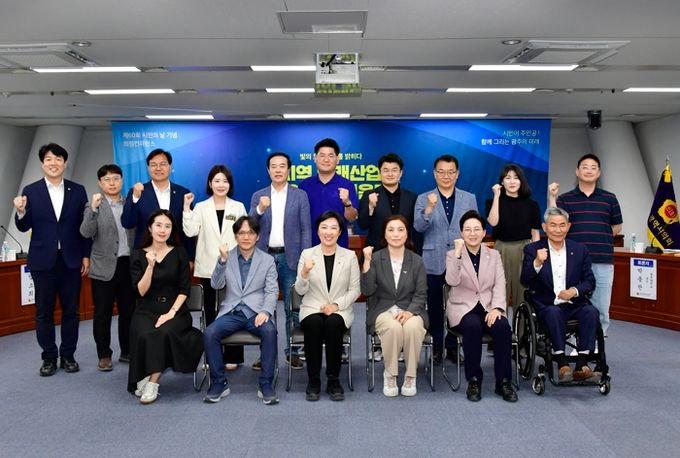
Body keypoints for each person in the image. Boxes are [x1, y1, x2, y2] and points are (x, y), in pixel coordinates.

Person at [14, 143, 91, 376]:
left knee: (71, 311)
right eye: (49, 159)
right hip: (42, 261)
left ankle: (68, 356)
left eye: (58, 159)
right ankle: (48, 357)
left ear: (65, 163)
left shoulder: (78, 190)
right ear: (42, 164)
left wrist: (85, 255)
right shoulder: (31, 190)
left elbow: (84, 228)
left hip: (71, 260)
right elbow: (23, 226)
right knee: (44, 312)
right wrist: (20, 211)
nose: (53, 163)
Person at [127, 210, 203, 404]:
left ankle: (153, 382)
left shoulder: (179, 253)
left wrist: (171, 313)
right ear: (150, 228)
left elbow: (185, 289)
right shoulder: (137, 255)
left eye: (167, 226)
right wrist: (150, 266)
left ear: (171, 230)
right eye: (158, 225)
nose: (162, 230)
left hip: (175, 309)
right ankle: (146, 374)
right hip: (146, 308)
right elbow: (140, 291)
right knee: (144, 332)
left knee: (163, 332)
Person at [202, 216, 279, 405]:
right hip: (232, 312)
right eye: (241, 233)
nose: (246, 237)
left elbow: (272, 291)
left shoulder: (267, 260)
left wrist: (265, 312)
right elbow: (216, 284)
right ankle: (219, 382)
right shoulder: (226, 256)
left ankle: (266, 383)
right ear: (235, 236)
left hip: (256, 313)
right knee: (210, 333)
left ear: (257, 236)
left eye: (250, 233)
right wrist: (222, 261)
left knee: (270, 332)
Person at [445, 210, 517, 402]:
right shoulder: (452, 254)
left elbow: (500, 283)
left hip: (488, 307)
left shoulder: (493, 255)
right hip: (463, 308)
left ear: (484, 232)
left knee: (502, 327)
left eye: (477, 229)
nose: (472, 233)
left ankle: (503, 382)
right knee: (472, 326)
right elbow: (451, 280)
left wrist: (498, 308)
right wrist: (458, 255)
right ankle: (474, 379)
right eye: (468, 229)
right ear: (461, 233)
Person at [520, 207, 598, 382]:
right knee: (554, 313)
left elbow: (589, 281)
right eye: (553, 225)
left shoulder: (580, 250)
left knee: (591, 312)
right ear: (544, 227)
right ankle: (562, 363)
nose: (558, 230)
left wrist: (573, 291)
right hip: (547, 305)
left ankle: (582, 364)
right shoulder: (532, 249)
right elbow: (524, 279)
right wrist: (537, 263)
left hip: (574, 304)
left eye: (562, 225)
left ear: (568, 226)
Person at [548, 153, 622, 337]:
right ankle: (577, 345)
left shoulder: (610, 198)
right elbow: (555, 223)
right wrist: (552, 197)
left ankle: (598, 346)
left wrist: (601, 236)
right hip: (574, 262)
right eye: (585, 167)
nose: (589, 171)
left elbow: (617, 227)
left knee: (601, 308)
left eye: (593, 168)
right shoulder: (565, 198)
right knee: (575, 306)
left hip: (602, 260)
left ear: (599, 173)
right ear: (577, 171)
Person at [250, 152, 312, 370]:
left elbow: (306, 229)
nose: (278, 170)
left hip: (291, 257)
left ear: (288, 169)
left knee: (291, 307)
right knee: (262, 307)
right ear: (268, 170)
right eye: (273, 166)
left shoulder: (300, 195)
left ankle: (292, 352)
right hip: (264, 257)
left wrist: (305, 257)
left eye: (282, 166)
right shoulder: (258, 195)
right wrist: (260, 209)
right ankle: (265, 354)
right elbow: (249, 224)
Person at [414, 154, 477, 365]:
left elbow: (474, 229)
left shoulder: (469, 198)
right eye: (441, 172)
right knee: (434, 307)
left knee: (458, 305)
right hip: (433, 261)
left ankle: (453, 346)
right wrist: (429, 209)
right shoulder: (423, 198)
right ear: (434, 174)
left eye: (451, 172)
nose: (446, 176)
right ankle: (436, 348)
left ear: (457, 174)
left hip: (461, 260)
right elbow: (418, 227)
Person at [183, 165, 246, 370]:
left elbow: (245, 235)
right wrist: (186, 208)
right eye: (217, 181)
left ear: (230, 185)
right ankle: (212, 357)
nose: (221, 185)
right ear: (210, 183)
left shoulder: (238, 207)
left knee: (233, 311)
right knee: (210, 312)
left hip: (233, 267)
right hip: (208, 267)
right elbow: (190, 231)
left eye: (225, 181)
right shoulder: (201, 207)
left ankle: (233, 356)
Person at [295, 211, 360, 402]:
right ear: (317, 231)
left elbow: (355, 290)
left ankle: (333, 379)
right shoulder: (307, 254)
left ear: (340, 232)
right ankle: (313, 380)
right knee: (314, 324)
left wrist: (336, 305)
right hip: (312, 307)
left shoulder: (349, 256)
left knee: (333, 324)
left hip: (340, 309)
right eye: (324, 227)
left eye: (333, 228)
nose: (328, 232)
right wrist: (304, 273)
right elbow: (300, 290)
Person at [360, 215, 427, 397]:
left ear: (406, 234)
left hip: (411, 310)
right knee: (393, 327)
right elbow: (367, 290)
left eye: (400, 230)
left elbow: (421, 293)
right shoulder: (375, 258)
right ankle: (390, 373)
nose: (396, 234)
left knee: (413, 327)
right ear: (384, 234)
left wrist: (410, 312)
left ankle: (410, 376)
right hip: (383, 311)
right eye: (391, 230)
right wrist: (366, 263)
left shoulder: (416, 260)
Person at [80, 164, 135, 370]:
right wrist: (93, 210)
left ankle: (127, 350)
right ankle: (104, 355)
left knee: (128, 312)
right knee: (102, 314)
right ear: (100, 183)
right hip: (103, 267)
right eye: (107, 179)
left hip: (128, 265)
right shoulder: (93, 205)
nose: (112, 183)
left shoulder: (131, 203)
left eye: (116, 179)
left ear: (122, 181)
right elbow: (85, 232)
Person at [121, 148, 195, 259]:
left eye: (163, 164)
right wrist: (135, 198)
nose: (158, 168)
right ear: (148, 168)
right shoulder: (138, 191)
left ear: (170, 167)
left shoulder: (183, 193)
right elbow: (127, 223)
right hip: (145, 256)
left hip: (176, 256)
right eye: (153, 165)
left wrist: (190, 257)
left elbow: (188, 229)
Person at [486, 164, 541, 309]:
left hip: (525, 248)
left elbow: (535, 233)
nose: (512, 181)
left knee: (522, 291)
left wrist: (536, 255)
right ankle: (500, 322)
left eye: (516, 178)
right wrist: (497, 196)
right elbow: (493, 222)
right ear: (501, 182)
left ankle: (521, 324)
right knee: (499, 290)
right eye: (507, 178)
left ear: (521, 181)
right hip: (501, 248)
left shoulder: (532, 204)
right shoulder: (492, 201)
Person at [298, 138, 358, 249]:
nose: (326, 160)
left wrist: (347, 203)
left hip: (339, 246)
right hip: (310, 247)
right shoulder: (304, 185)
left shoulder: (347, 185)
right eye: (322, 156)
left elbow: (351, 218)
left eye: (331, 156)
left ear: (338, 159)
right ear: (315, 158)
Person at [357, 152, 419, 251]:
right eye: (386, 170)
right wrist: (371, 208)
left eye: (394, 170)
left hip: (404, 252)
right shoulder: (369, 195)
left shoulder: (412, 197)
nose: (390, 174)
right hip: (376, 252)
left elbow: (417, 228)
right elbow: (362, 225)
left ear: (401, 173)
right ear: (379, 172)